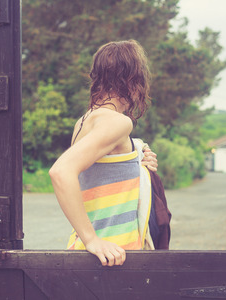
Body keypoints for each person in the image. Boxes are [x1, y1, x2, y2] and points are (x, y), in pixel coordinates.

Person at [49, 40, 157, 267]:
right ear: (134, 79)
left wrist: (140, 159)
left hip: (96, 257)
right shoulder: (118, 123)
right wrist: (92, 240)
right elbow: (61, 171)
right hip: (111, 258)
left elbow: (101, 172)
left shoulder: (85, 120)